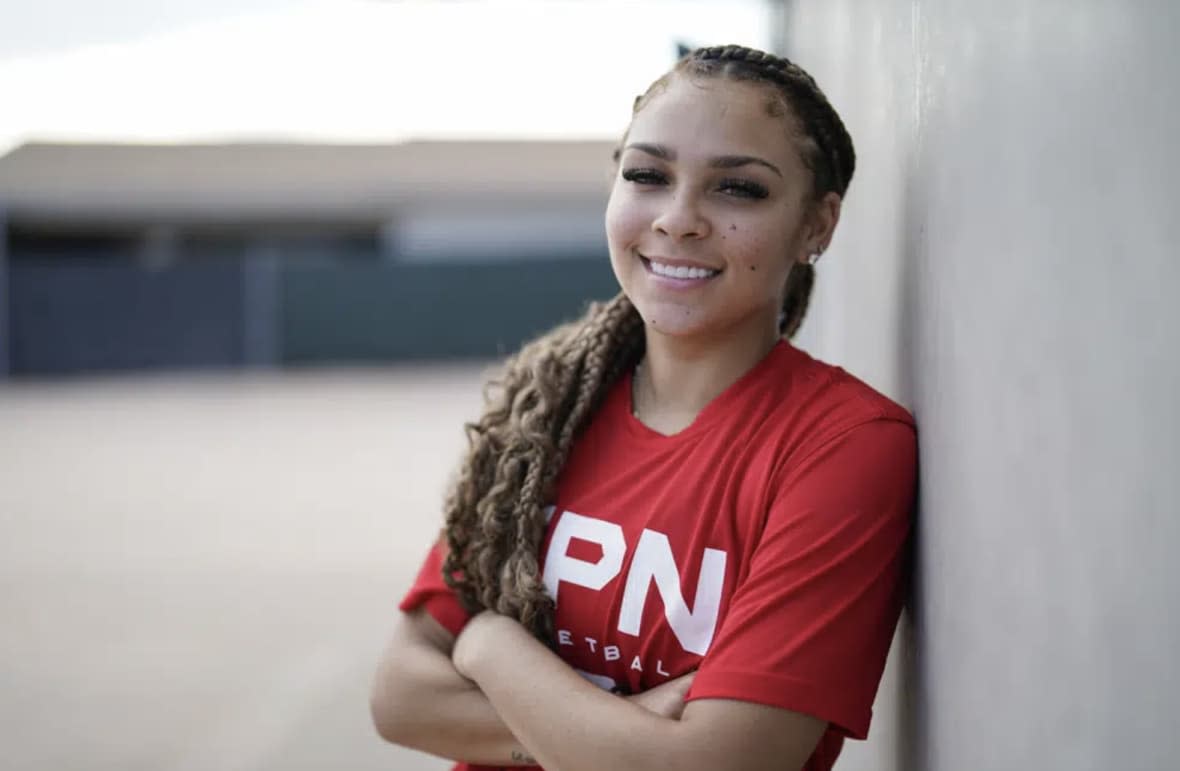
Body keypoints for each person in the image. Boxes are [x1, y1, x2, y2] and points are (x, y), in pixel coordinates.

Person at [370, 44, 918, 771]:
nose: (679, 218)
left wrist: (488, 647)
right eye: (648, 175)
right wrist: (619, 733)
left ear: (817, 224)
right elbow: (400, 696)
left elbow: (710, 765)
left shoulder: (845, 445)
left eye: (739, 190)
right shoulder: (552, 407)